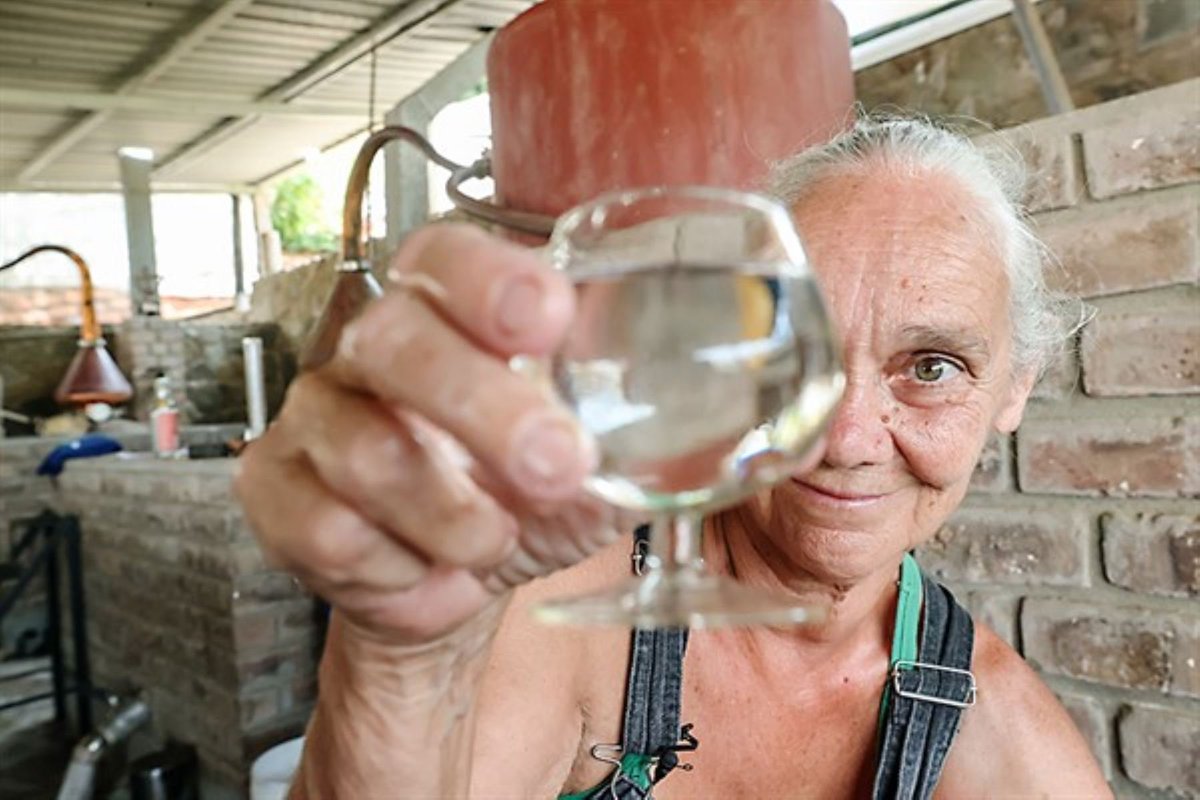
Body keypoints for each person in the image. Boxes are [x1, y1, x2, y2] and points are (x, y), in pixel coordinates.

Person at [235, 116, 1112, 798]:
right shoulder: (566, 611)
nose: (845, 440)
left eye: (932, 368)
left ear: (1013, 389)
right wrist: (396, 660)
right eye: (800, 350)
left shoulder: (1005, 738)